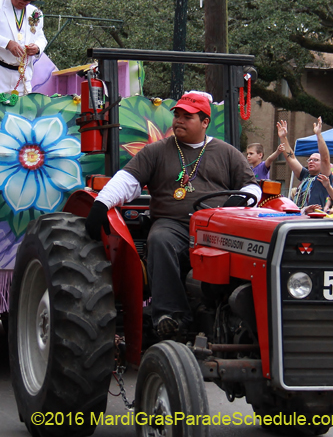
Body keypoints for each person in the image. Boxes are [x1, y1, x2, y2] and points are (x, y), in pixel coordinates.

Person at [84, 91, 261, 338]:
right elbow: (127, 180)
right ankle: (171, 316)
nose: (178, 120)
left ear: (205, 122)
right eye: (176, 115)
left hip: (216, 228)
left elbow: (252, 187)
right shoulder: (156, 151)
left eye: (187, 117)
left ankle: (238, 317)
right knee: (159, 239)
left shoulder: (228, 153)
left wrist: (237, 201)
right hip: (173, 225)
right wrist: (102, 203)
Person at [277, 118, 332, 211]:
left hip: (312, 219)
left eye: (315, 160)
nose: (311, 161)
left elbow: (325, 158)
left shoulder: (323, 178)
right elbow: (291, 158)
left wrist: (318, 135)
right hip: (297, 215)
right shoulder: (305, 175)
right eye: (309, 160)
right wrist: (283, 138)